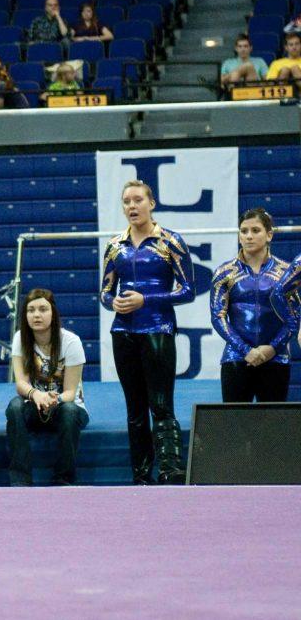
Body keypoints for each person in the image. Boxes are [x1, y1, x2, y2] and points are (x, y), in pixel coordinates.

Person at [100, 179, 195, 484]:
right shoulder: (115, 246)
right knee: (135, 407)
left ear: (151, 204)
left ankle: (170, 468)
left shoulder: (170, 241)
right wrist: (112, 301)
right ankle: (141, 474)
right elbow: (104, 291)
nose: (132, 206)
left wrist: (147, 299)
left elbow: (188, 291)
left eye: (138, 200)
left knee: (161, 403)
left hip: (158, 328)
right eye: (126, 201)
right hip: (124, 332)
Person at [211, 208, 296, 403]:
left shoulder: (286, 273)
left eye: (255, 230)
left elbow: (294, 317)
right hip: (237, 357)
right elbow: (218, 316)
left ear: (269, 235)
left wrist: (273, 348)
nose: (248, 236)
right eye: (244, 231)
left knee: (273, 425)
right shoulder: (225, 272)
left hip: (276, 356)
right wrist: (245, 350)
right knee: (235, 424)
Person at [6, 289, 88, 486]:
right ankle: (20, 481)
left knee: (69, 411)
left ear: (53, 313)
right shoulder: (20, 338)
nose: (36, 315)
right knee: (15, 406)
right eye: (31, 310)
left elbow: (69, 392)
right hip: (34, 404)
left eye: (43, 309)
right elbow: (21, 384)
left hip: (65, 406)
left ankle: (63, 479)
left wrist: (53, 399)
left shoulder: (71, 342)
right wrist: (37, 396)